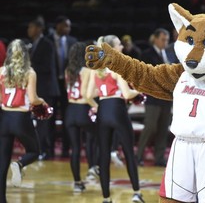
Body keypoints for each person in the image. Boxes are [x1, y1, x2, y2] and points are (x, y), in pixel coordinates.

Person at [87, 35, 145, 203]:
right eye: (119, 44)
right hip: (118, 110)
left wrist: (99, 103)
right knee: (128, 152)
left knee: (104, 155)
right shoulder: (117, 69)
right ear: (112, 48)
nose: (122, 46)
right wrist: (139, 92)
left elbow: (89, 95)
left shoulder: (95, 70)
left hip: (103, 110)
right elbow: (127, 94)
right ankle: (137, 193)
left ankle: (106, 198)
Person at [0, 39, 47, 203]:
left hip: (4, 118)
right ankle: (19, 164)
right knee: (34, 151)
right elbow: (33, 99)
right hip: (21, 118)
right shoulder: (29, 72)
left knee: (2, 160)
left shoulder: (1, 71)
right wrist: (43, 102)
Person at [65, 42, 99, 192]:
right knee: (98, 138)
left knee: (75, 149)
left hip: (70, 110)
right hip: (83, 108)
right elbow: (87, 94)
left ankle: (77, 183)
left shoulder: (68, 70)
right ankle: (94, 167)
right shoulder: (87, 70)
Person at [137, 28, 173, 167]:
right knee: (150, 127)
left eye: (167, 40)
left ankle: (159, 158)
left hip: (166, 98)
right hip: (152, 97)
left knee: (163, 129)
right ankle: (138, 156)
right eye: (163, 39)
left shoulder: (168, 55)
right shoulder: (146, 54)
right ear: (155, 39)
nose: (165, 42)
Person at [27, 16, 60, 160]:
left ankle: (43, 150)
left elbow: (47, 67)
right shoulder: (31, 44)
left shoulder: (47, 44)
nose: (29, 30)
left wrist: (29, 67)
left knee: (44, 122)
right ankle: (41, 149)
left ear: (39, 28)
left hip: (46, 88)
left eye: (31, 27)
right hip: (39, 88)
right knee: (40, 122)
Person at [47, 15, 77, 157]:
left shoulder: (73, 42)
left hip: (67, 84)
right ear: (58, 26)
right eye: (66, 26)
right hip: (51, 83)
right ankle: (49, 149)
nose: (68, 29)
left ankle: (66, 149)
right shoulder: (47, 41)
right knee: (50, 118)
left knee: (67, 117)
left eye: (69, 26)